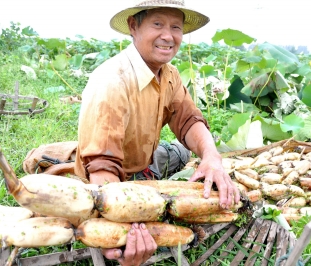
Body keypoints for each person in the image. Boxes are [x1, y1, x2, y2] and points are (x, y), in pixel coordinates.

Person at [74, 1, 240, 265]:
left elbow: (188, 121)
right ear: (133, 26)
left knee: (187, 149)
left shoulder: (169, 74)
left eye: (176, 27)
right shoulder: (112, 81)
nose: (168, 36)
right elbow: (102, 169)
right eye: (158, 24)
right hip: (107, 179)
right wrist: (122, 224)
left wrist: (211, 157)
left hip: (145, 162)